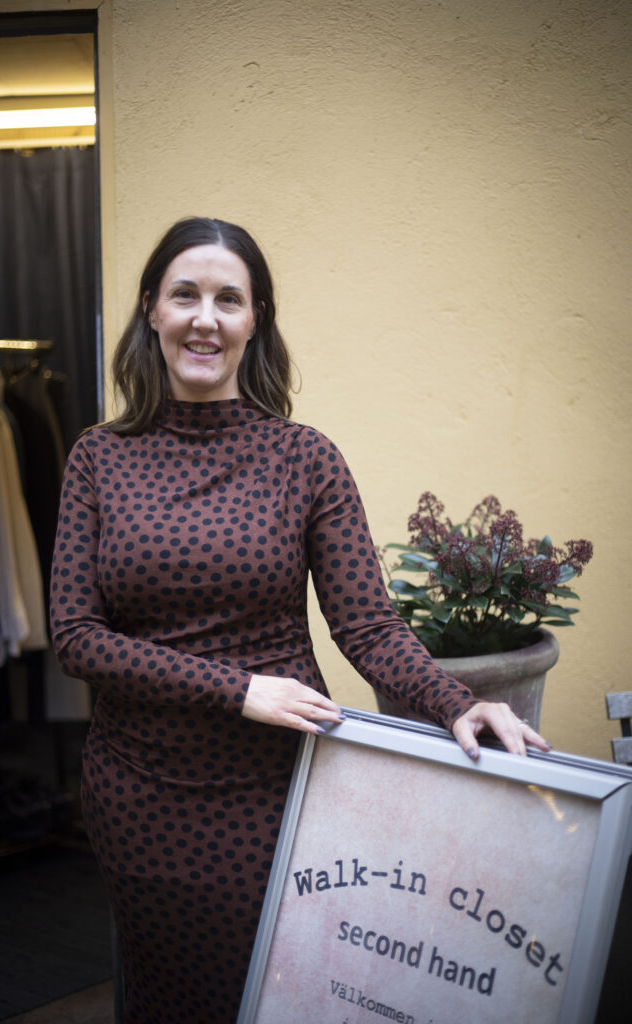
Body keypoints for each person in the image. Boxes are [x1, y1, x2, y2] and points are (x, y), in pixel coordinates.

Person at [50, 217, 549, 1023]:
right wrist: (236, 688)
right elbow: (76, 636)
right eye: (185, 295)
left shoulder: (304, 458)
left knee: (279, 994)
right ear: (151, 309)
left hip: (272, 788)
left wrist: (457, 703)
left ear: (255, 320)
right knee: (167, 998)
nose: (205, 319)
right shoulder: (97, 458)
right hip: (139, 793)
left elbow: (368, 627)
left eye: (228, 299)